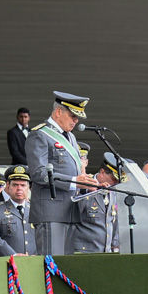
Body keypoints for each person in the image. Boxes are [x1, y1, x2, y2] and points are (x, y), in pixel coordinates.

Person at [26, 92, 98, 256]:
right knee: (53, 266)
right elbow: (38, 173)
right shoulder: (39, 134)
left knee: (65, 267)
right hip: (50, 212)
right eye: (73, 116)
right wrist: (74, 181)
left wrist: (88, 185)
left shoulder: (71, 137)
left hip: (70, 212)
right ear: (58, 112)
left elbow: (75, 172)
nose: (76, 121)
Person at [74, 153, 121, 254]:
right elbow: (73, 213)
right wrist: (87, 192)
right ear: (102, 172)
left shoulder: (113, 191)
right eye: (114, 179)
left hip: (105, 252)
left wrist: (114, 248)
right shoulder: (85, 184)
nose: (116, 183)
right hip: (84, 251)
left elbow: (113, 222)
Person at [0, 165, 34, 257]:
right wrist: (13, 255)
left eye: (23, 185)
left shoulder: (35, 209)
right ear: (8, 186)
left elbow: (43, 236)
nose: (19, 188)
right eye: (15, 185)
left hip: (34, 261)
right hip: (7, 262)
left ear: (28, 188)